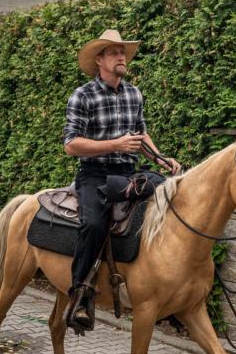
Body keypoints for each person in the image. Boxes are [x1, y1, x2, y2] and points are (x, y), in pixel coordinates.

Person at [61, 30, 180, 334]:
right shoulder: (82, 95)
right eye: (114, 52)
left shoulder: (134, 94)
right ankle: (79, 295)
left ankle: (168, 289)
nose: (121, 57)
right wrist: (115, 144)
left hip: (127, 172)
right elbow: (71, 145)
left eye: (123, 52)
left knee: (169, 190)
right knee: (93, 224)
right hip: (94, 174)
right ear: (99, 60)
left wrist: (161, 159)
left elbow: (140, 136)